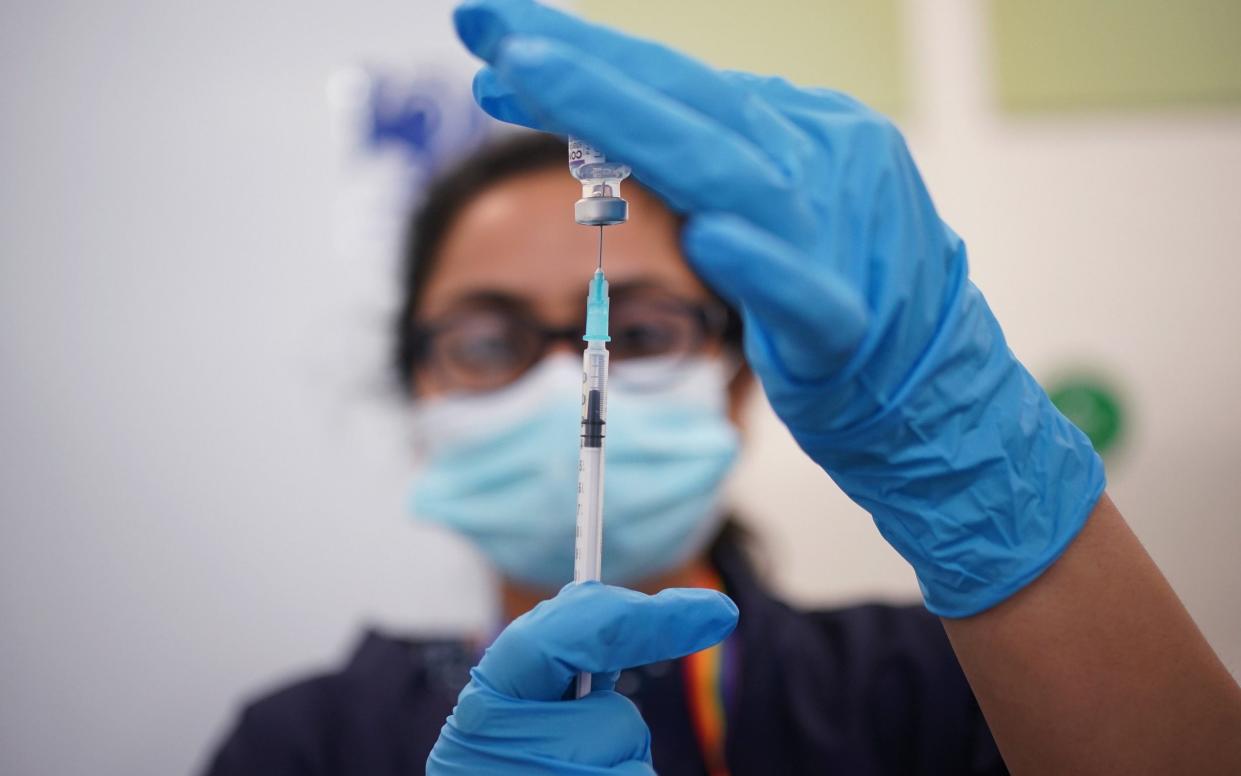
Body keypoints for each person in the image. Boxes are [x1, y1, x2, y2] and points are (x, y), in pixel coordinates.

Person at [205, 2, 1241, 774]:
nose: (571, 379)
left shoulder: (927, 688)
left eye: (637, 329)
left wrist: (982, 475)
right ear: (418, 400)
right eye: (486, 341)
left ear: (740, 384)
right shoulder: (302, 742)